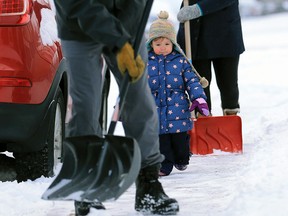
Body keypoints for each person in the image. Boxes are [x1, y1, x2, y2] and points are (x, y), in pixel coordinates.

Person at [53, 1, 179, 215]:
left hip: (126, 24)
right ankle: (86, 187)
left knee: (138, 98)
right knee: (85, 105)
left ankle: (148, 184)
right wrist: (117, 41)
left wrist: (124, 36)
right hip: (78, 25)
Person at [146, 11, 209, 176]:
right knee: (162, 142)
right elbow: (137, 86)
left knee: (179, 141)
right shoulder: (146, 63)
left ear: (173, 43)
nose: (162, 48)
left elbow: (192, 81)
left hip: (178, 110)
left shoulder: (181, 61)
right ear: (151, 44)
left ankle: (182, 159)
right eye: (158, 44)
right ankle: (164, 166)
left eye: (166, 44)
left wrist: (199, 97)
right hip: (156, 110)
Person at [176, 0, 245, 115]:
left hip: (225, 34)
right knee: (199, 86)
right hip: (195, 36)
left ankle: (230, 122)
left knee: (228, 85)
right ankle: (204, 120)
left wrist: (198, 9)